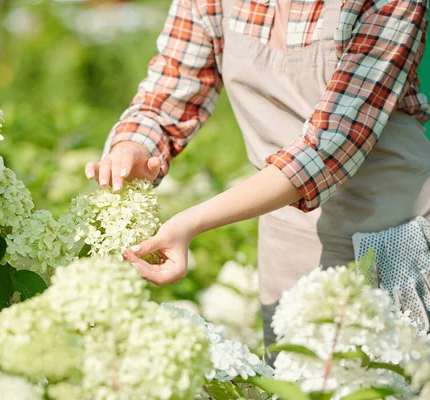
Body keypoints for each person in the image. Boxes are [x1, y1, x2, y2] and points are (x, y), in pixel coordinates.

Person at [84, 0, 430, 358]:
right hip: (288, 237)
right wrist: (134, 147)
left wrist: (190, 221)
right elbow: (169, 91)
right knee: (297, 382)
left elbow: (327, 148)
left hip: (394, 236)